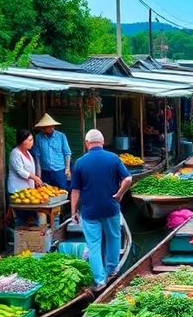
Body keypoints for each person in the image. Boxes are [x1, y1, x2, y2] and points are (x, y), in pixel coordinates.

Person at [70, 130, 133, 290]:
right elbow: (128, 178)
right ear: (102, 142)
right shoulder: (113, 158)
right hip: (110, 207)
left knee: (94, 245)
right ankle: (112, 270)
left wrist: (73, 212)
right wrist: (120, 193)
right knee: (113, 238)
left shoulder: (79, 163)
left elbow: (75, 191)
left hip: (90, 211)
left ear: (86, 143)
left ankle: (99, 281)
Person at [8, 128, 42, 226]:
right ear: (23, 141)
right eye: (30, 140)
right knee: (22, 221)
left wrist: (35, 181)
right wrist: (35, 178)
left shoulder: (28, 153)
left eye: (32, 139)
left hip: (29, 192)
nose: (32, 142)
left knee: (33, 219)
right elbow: (20, 171)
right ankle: (22, 240)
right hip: (17, 191)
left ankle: (33, 239)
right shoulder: (15, 154)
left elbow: (31, 170)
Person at [32, 114, 72, 190]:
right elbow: (37, 156)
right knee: (46, 192)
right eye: (46, 127)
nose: (50, 128)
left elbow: (67, 153)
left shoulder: (61, 136)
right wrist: (38, 173)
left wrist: (67, 168)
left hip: (59, 170)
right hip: (45, 171)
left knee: (64, 191)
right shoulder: (38, 138)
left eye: (51, 126)